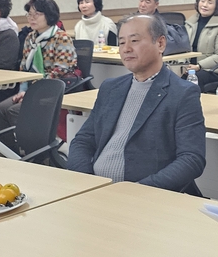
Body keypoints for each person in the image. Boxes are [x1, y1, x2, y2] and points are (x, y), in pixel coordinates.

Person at [68, 14, 206, 194]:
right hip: (97, 190)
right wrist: (87, 181)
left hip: (145, 195)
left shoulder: (182, 93)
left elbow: (192, 159)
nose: (126, 49)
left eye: (134, 41)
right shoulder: (111, 88)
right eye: (122, 42)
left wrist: (139, 191)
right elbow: (83, 140)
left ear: (160, 44)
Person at [0, 0, 77, 150]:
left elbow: (61, 70)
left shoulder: (61, 38)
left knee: (14, 110)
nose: (31, 18)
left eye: (36, 14)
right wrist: (23, 90)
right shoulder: (31, 37)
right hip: (31, 89)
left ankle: (35, 150)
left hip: (53, 90)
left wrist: (33, 92)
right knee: (1, 108)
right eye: (29, 14)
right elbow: (24, 68)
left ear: (49, 15)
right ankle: (11, 152)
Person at [184, 0, 218, 93]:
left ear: (216, 6)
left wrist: (199, 66)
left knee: (193, 81)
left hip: (210, 70)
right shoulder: (189, 24)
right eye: (203, 0)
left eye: (210, 2)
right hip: (189, 67)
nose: (205, 5)